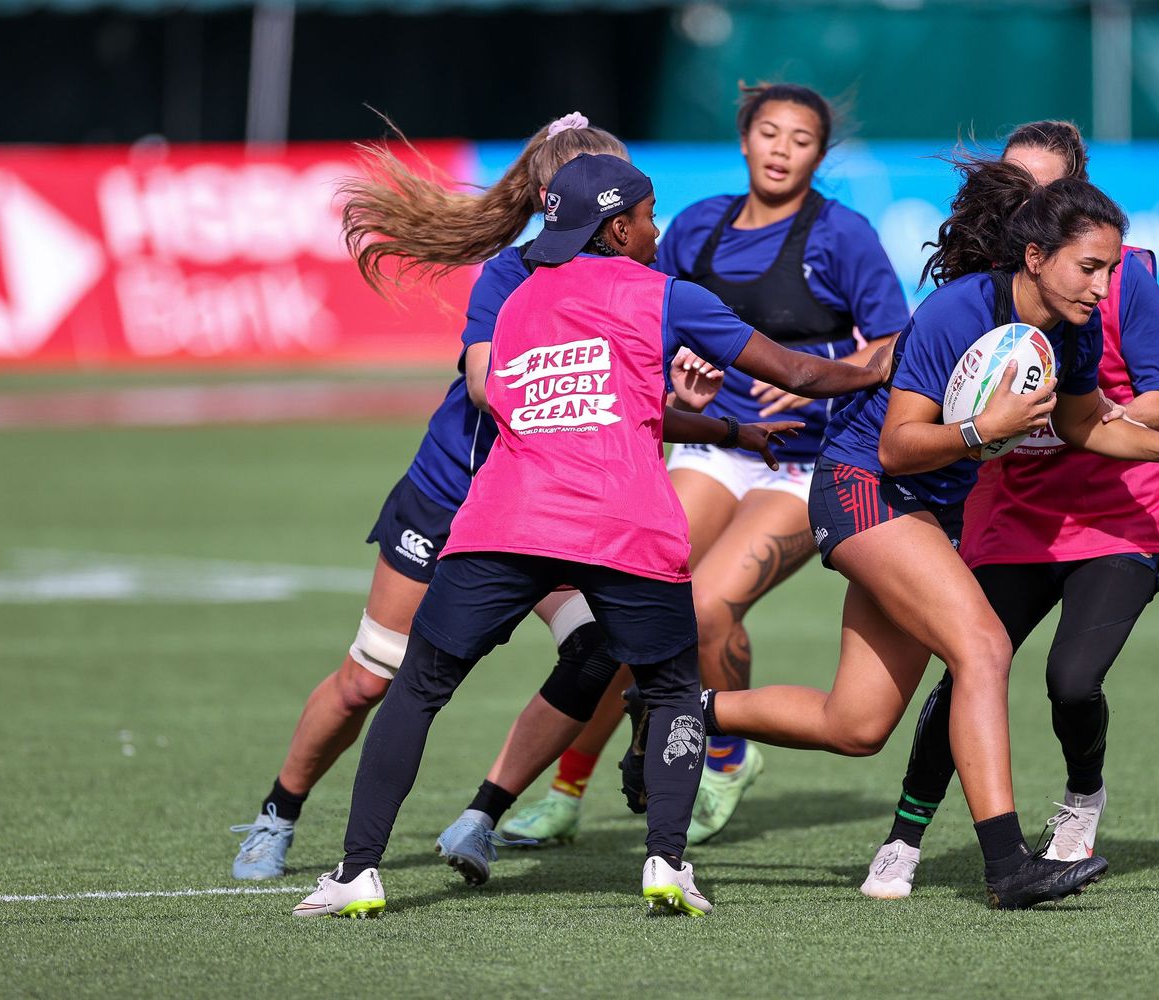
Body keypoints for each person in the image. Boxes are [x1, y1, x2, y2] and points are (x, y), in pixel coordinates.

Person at [291, 152, 893, 918]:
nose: (657, 230)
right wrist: (880, 366)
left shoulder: (518, 300)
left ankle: (356, 874)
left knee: (418, 688)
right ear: (617, 227)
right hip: (623, 527)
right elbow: (798, 374)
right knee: (673, 695)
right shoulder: (664, 294)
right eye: (647, 216)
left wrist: (726, 430)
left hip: (504, 521)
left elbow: (559, 405)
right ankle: (666, 864)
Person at [626, 168, 1159, 909]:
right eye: (1090, 267)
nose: (1103, 287)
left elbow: (1084, 424)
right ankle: (1008, 866)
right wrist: (987, 428)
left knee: (855, 725)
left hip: (928, 512)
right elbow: (895, 447)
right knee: (982, 647)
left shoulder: (1071, 330)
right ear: (1036, 257)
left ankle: (677, 706)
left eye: (1111, 269)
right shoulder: (958, 311)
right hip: (862, 485)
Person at [229, 113, 713, 880]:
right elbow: (490, 386)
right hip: (455, 495)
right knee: (372, 674)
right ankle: (278, 813)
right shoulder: (512, 276)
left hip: (548, 506)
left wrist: (680, 395)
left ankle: (482, 814)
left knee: (597, 650)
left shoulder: (636, 273)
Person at [501, 82, 909, 848]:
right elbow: (632, 313)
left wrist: (818, 365)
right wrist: (674, 377)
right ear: (745, 139)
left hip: (804, 461)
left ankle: (725, 755)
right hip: (716, 445)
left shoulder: (843, 234)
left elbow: (895, 345)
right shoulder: (695, 226)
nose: (782, 149)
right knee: (627, 605)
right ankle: (565, 792)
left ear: (820, 154)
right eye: (769, 132)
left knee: (707, 608)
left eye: (801, 139)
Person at [861, 121, 1159, 898]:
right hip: (1011, 513)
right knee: (970, 664)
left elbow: (1153, 403)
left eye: (1044, 189)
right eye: (1015, 188)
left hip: (1116, 514)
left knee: (1071, 681)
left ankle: (1081, 799)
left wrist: (1117, 430)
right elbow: (927, 404)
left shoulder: (1113, 280)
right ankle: (904, 838)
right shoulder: (980, 291)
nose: (1027, 205)